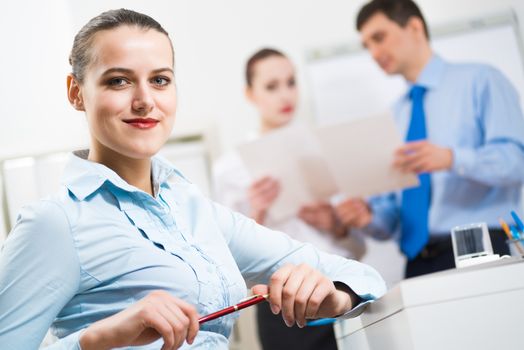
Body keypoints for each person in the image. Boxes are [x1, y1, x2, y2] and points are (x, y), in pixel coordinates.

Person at [0, 9, 386, 350]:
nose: (144, 100)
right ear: (76, 92)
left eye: (160, 80)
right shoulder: (55, 224)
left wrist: (333, 299)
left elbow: (360, 276)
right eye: (119, 81)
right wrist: (95, 340)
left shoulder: (194, 211)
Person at [336, 0, 524, 278]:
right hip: (418, 263)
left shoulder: (482, 80)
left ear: (414, 27)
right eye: (367, 46)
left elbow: (516, 162)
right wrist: (369, 217)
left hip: (484, 249)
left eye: (379, 38)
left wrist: (451, 158)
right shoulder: (394, 116)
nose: (374, 53)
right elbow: (391, 214)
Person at [213, 48, 366, 350]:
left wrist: (336, 224)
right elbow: (224, 259)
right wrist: (257, 212)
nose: (285, 95)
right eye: (271, 86)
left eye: (291, 82)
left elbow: (358, 247)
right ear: (250, 93)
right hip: (280, 305)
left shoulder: (326, 151)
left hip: (339, 295)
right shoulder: (230, 167)